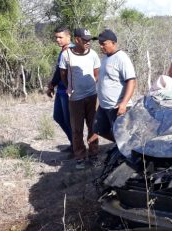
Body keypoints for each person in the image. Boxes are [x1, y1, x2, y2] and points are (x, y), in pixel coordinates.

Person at [59, 28, 101, 169]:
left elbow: (96, 74)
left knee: (93, 126)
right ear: (76, 39)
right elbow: (63, 75)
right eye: (85, 40)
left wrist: (90, 88)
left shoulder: (93, 55)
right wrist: (71, 88)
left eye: (89, 40)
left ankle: (94, 154)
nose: (88, 42)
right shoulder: (66, 55)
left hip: (92, 97)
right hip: (75, 99)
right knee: (77, 129)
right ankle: (80, 157)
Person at [92, 29, 136, 142]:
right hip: (104, 105)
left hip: (117, 106)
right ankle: (119, 146)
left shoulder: (121, 58)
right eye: (100, 44)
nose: (101, 46)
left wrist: (124, 103)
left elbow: (131, 81)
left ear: (113, 43)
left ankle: (126, 153)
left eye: (103, 44)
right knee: (98, 129)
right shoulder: (105, 58)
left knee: (123, 135)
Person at [46, 26, 73, 151]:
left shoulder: (71, 50)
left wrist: (53, 84)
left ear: (69, 37)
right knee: (58, 117)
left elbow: (64, 72)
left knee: (68, 120)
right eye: (56, 37)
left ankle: (77, 147)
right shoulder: (63, 50)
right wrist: (52, 84)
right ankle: (73, 143)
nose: (58, 40)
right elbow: (58, 71)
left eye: (60, 37)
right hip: (60, 90)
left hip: (68, 91)